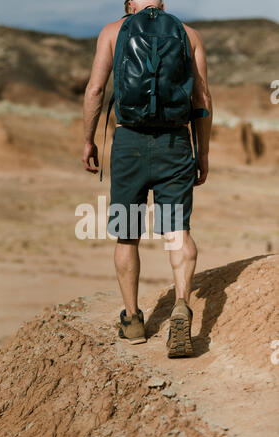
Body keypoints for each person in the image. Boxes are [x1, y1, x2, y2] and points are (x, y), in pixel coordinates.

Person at [82, 0, 212, 357]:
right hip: (174, 142)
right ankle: (182, 305)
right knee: (176, 230)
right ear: (162, 3)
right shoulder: (188, 34)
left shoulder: (113, 31)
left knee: (127, 233)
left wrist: (88, 140)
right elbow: (201, 98)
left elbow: (95, 90)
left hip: (129, 144)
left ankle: (134, 320)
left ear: (128, 5)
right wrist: (202, 152)